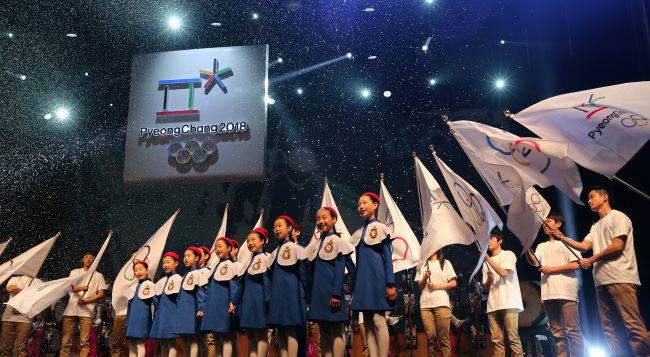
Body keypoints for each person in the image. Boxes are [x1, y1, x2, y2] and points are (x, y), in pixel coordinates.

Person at [555, 186, 650, 356]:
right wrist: (562, 237)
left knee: (632, 324)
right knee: (610, 328)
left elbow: (617, 246)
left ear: (604, 197)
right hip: (601, 281)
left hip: (620, 277)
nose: (589, 201)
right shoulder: (596, 225)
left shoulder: (618, 217)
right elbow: (584, 247)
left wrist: (591, 259)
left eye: (592, 197)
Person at [525, 212, 584, 357]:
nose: (544, 225)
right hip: (548, 293)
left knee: (572, 330)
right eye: (544, 222)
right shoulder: (541, 246)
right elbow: (534, 262)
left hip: (566, 292)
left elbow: (576, 265)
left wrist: (551, 269)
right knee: (557, 333)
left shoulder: (567, 242)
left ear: (559, 224)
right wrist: (526, 248)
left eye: (549, 221)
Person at [349, 192, 397, 357]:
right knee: (367, 323)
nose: (360, 206)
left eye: (364, 203)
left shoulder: (382, 229)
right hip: (363, 283)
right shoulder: (357, 233)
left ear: (375, 205)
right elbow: (356, 261)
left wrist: (390, 284)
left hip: (378, 280)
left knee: (378, 320)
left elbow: (388, 259)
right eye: (359, 204)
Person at [306, 207, 353, 357]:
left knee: (337, 330)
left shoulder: (338, 242)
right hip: (318, 295)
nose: (320, 221)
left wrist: (336, 295)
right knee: (324, 331)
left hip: (333, 295)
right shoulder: (314, 246)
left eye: (324, 217)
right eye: (318, 219)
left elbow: (340, 270)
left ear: (334, 219)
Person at [267, 215, 308, 357]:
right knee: (281, 331)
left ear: (290, 228)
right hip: (277, 296)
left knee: (290, 331)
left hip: (291, 295)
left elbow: (303, 274)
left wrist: (306, 296)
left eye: (280, 226)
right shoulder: (273, 253)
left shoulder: (296, 249)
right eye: (274, 227)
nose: (276, 229)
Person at [481, 229, 523, 357]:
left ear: (500, 241)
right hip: (493, 304)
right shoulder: (486, 262)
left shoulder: (508, 254)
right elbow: (486, 288)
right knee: (496, 340)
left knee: (512, 337)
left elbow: (504, 273)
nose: (488, 242)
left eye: (491, 239)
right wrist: (489, 278)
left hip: (509, 301)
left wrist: (489, 259)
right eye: (487, 239)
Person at [201, 237, 244, 357]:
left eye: (220, 246)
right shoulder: (215, 267)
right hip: (213, 307)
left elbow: (234, 287)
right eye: (216, 247)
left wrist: (233, 302)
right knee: (217, 338)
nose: (218, 249)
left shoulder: (230, 266)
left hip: (224, 307)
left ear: (229, 248)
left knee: (226, 339)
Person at [61, 250, 107, 357]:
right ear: (83, 259)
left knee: (85, 341)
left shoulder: (99, 275)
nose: (89, 259)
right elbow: (70, 288)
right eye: (86, 257)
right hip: (71, 309)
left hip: (87, 311)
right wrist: (81, 288)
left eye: (91, 257)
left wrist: (86, 301)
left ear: (95, 260)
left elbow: (100, 294)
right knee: (66, 340)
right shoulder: (75, 272)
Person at [416, 249, 457, 357]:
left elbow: (453, 283)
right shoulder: (422, 264)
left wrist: (437, 286)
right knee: (431, 338)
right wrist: (425, 276)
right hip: (426, 305)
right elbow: (420, 286)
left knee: (444, 338)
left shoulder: (445, 263)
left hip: (442, 304)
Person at [239, 228, 272, 357]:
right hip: (248, 303)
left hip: (261, 303)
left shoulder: (267, 258)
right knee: (251, 335)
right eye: (248, 241)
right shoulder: (247, 263)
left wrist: (269, 303)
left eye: (253, 240)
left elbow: (268, 284)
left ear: (263, 241)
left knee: (261, 335)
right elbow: (241, 286)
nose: (250, 243)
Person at [173, 247, 208, 357]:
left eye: (189, 256)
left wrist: (201, 309)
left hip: (192, 312)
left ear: (197, 258)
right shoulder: (185, 275)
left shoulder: (197, 274)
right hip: (183, 312)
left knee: (193, 340)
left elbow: (201, 294)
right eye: (184, 256)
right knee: (186, 339)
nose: (185, 258)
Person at [0, 274, 43, 357]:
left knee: (22, 348)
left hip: (25, 319)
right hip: (9, 317)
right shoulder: (15, 279)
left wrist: (21, 307)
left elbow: (37, 298)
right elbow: (10, 288)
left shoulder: (38, 282)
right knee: (5, 348)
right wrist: (29, 291)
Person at [151, 252, 182, 357]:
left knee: (172, 343)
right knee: (163, 342)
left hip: (172, 315)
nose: (165, 265)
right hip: (161, 315)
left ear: (176, 263)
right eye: (164, 263)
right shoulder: (160, 281)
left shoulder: (179, 279)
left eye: (168, 262)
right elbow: (155, 298)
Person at [125, 261, 155, 357]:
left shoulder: (150, 285)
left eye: (141, 269)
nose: (138, 272)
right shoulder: (133, 287)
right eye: (136, 270)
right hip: (132, 320)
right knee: (132, 343)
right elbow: (129, 306)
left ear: (147, 270)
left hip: (143, 319)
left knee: (140, 343)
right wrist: (127, 321)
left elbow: (156, 303)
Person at [111, 250, 138, 357]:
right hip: (121, 312)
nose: (135, 259)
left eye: (137, 256)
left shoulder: (145, 275)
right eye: (133, 257)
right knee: (116, 340)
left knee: (135, 341)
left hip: (135, 313)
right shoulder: (123, 275)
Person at [291, 221, 311, 357]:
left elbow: (305, 275)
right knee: (286, 330)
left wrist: (307, 294)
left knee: (300, 329)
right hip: (284, 296)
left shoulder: (303, 251)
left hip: (299, 294)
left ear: (297, 232)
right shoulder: (277, 252)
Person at [197, 246, 214, 357]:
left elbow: (209, 293)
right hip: (194, 312)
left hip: (206, 311)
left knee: (210, 340)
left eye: (199, 253)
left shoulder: (209, 272)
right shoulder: (189, 274)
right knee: (196, 340)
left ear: (207, 256)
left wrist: (203, 308)